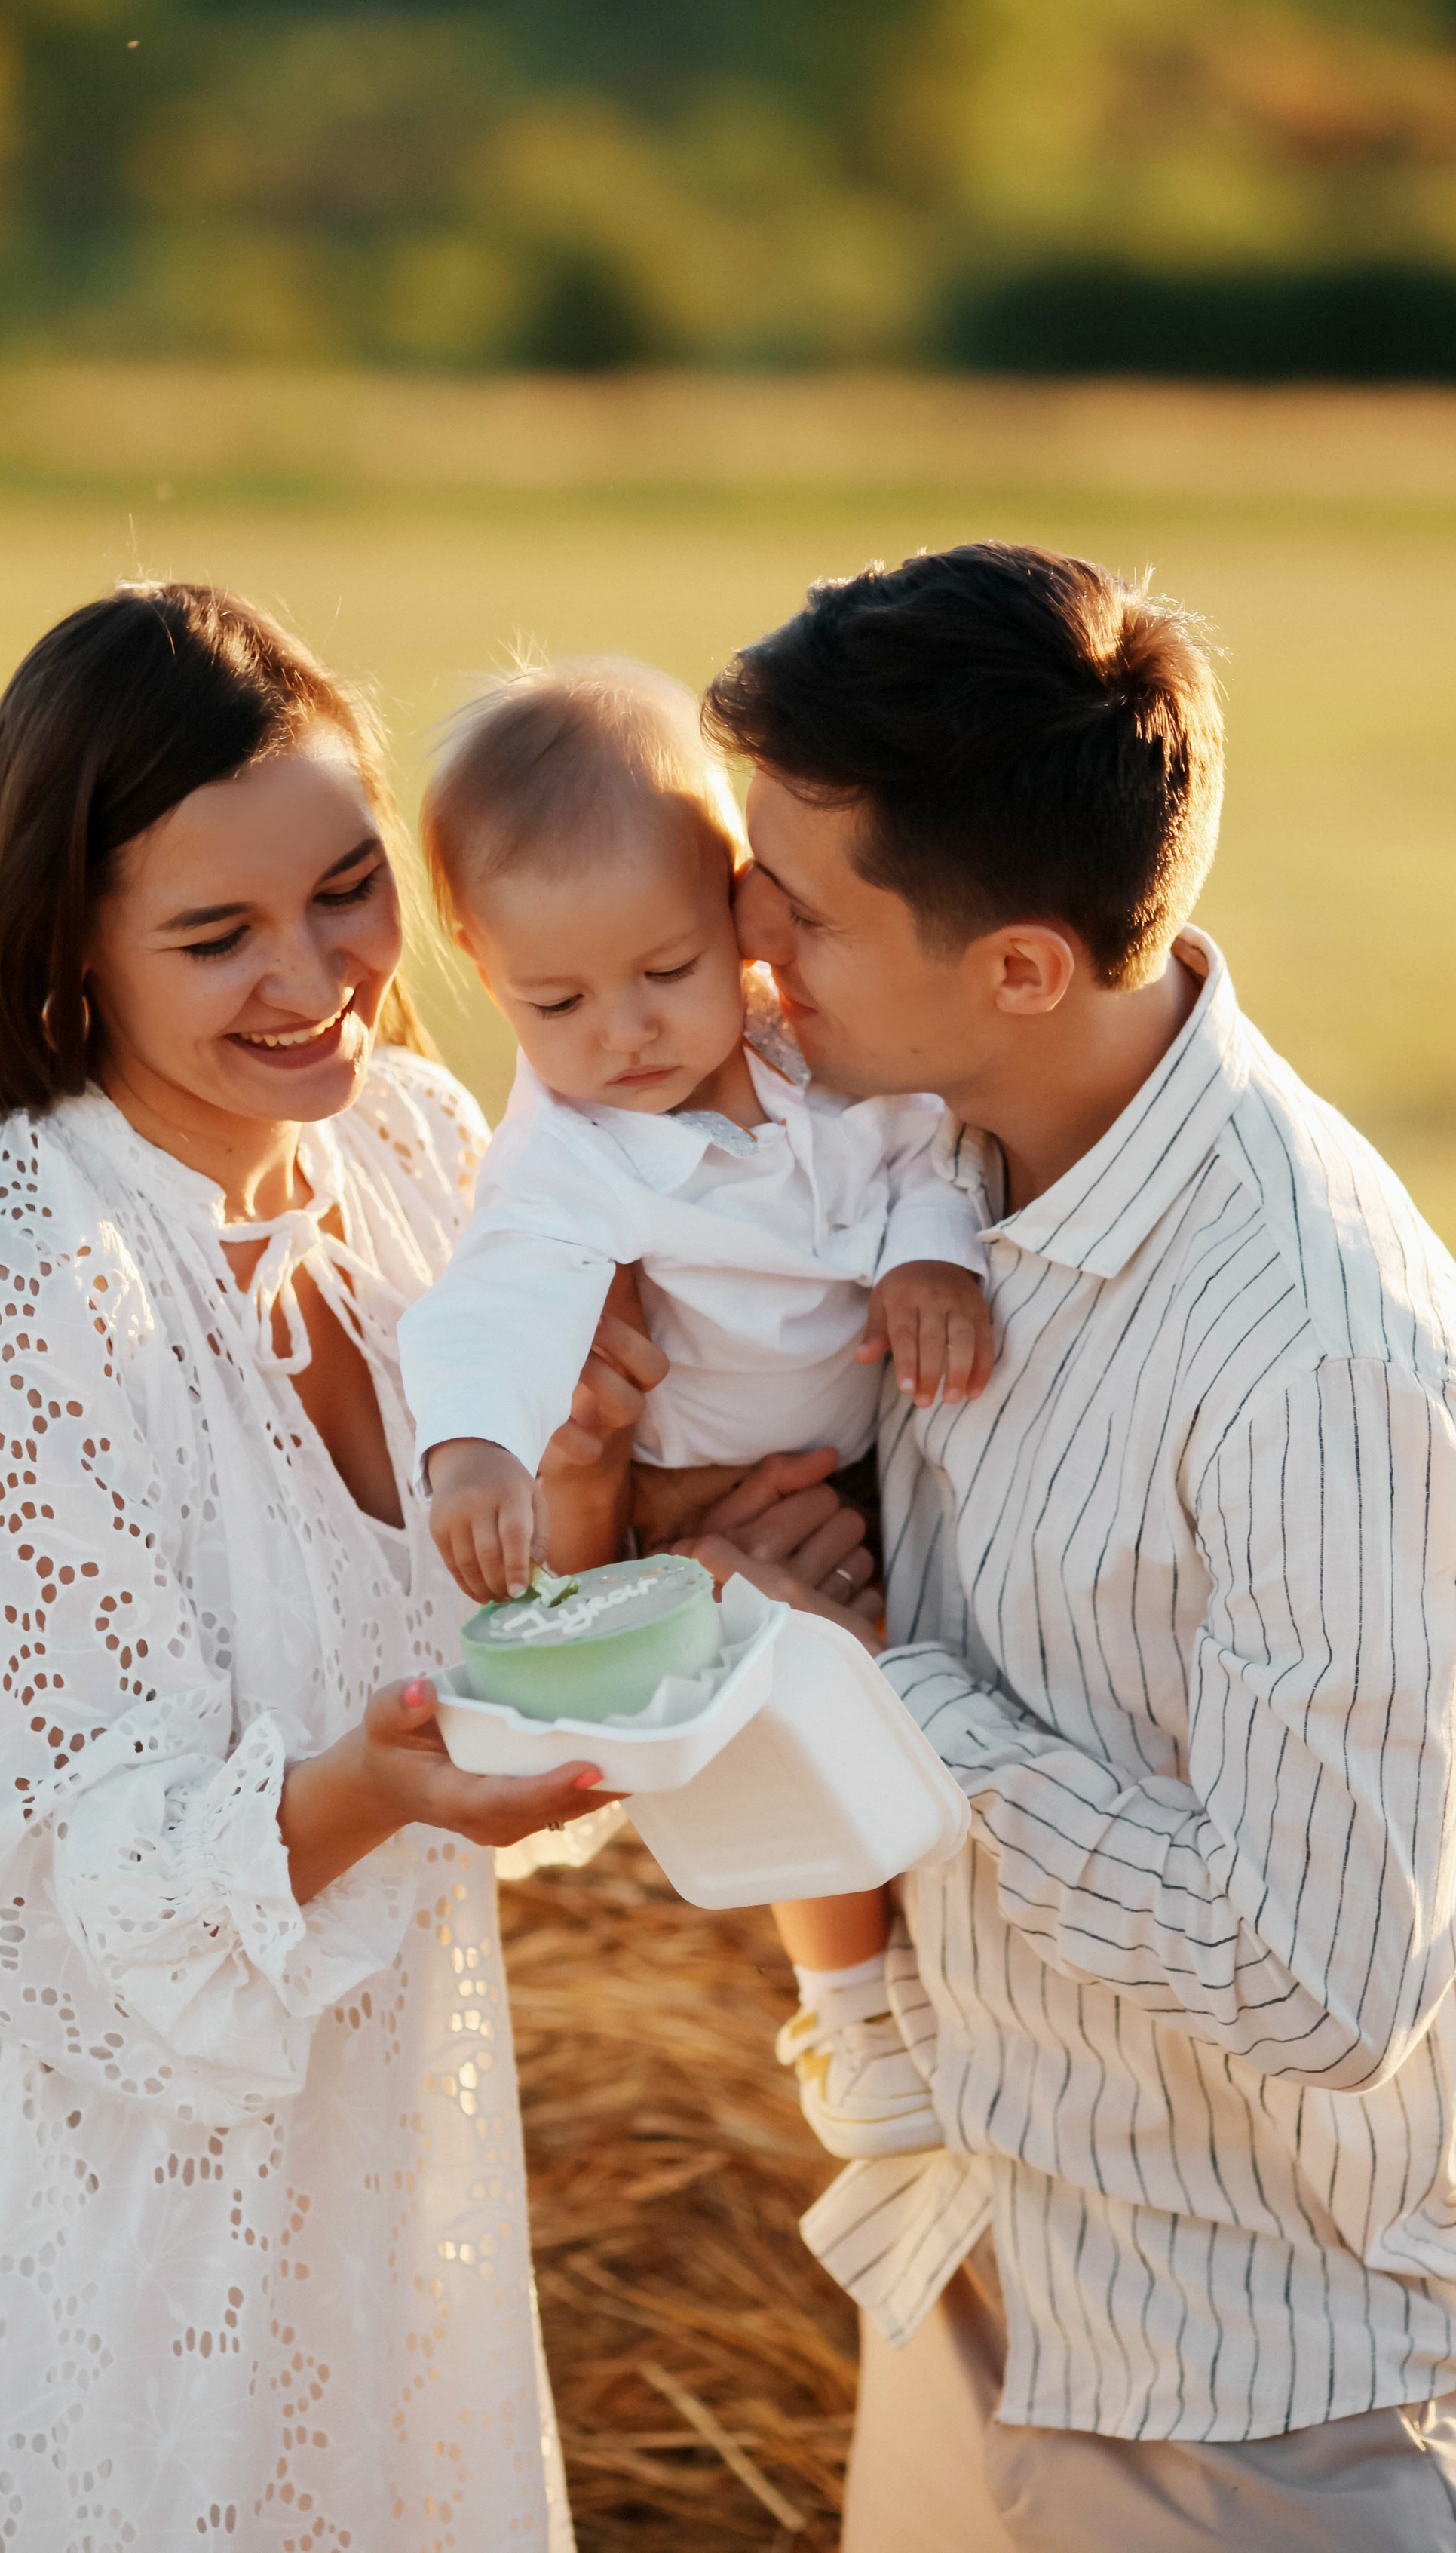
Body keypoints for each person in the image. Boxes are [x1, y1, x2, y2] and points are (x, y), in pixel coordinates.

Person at [0, 583, 661, 2551]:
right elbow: (61, 1881)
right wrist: (366, 1791)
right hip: (88, 2239)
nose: (315, 971)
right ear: (69, 944)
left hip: (375, 2177)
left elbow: (501, 1629)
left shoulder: (410, 1154)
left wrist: (595, 1506)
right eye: (217, 933)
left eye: (345, 888)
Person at [703, 542, 1456, 2553]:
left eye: (802, 912)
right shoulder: (930, 1159)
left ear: (1017, 966)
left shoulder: (1329, 1366)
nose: (748, 946)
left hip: (1257, 2419)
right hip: (984, 2282)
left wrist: (875, 1692)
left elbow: (1318, 1975)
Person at [397, 658, 988, 2046]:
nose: (624, 1034)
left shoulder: (816, 1048)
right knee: (776, 1721)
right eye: (557, 1005)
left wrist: (930, 1255)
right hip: (699, 1494)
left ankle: (956, 1979)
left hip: (863, 1453)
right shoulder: (571, 1149)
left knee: (914, 1698)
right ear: (485, 976)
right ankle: (846, 2010)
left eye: (667, 971)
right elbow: (504, 1294)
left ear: (738, 909)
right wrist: (478, 1445)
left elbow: (929, 1147)